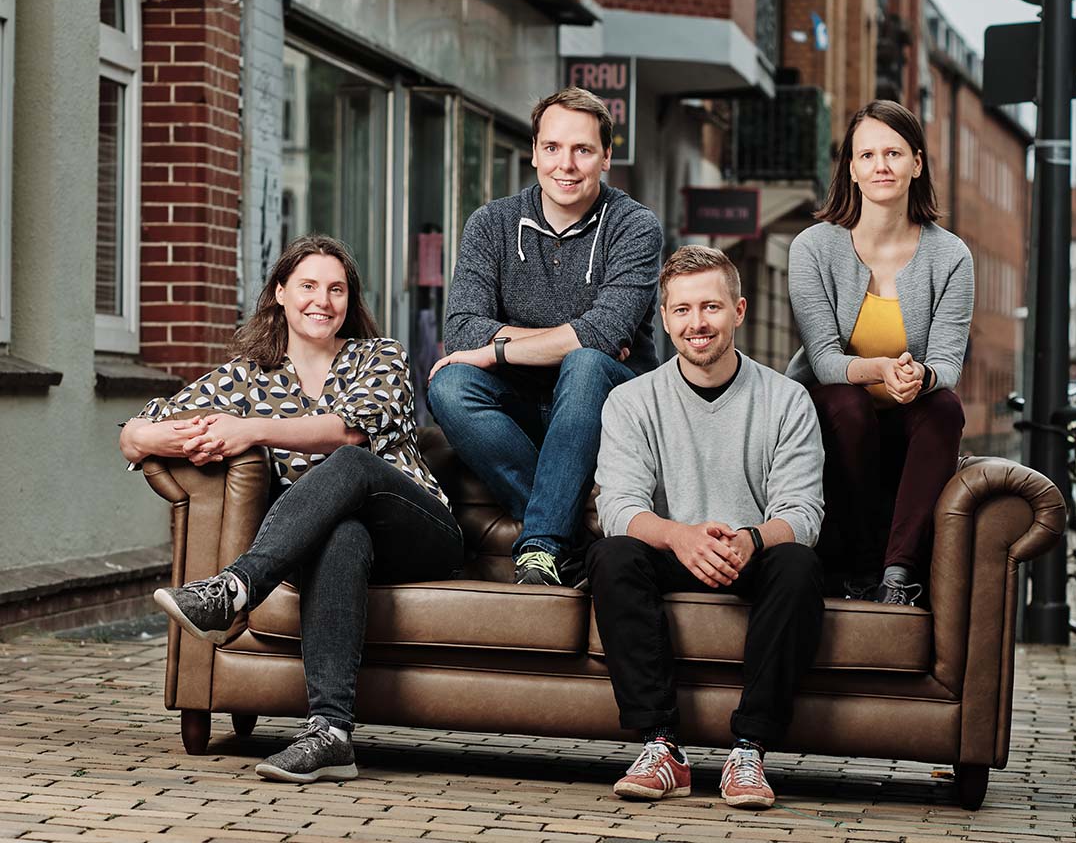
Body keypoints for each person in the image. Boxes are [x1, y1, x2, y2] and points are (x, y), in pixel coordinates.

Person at [121, 234, 463, 784]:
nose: (322, 301)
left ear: (350, 300)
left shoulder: (380, 357)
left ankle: (236, 587)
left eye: (336, 289)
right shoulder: (245, 378)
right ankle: (330, 734)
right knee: (341, 535)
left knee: (348, 464)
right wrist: (192, 439)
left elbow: (348, 433)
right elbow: (136, 434)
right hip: (334, 538)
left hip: (418, 531)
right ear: (279, 293)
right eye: (307, 286)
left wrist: (245, 430)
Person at [588, 246, 825, 810]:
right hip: (672, 549)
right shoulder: (631, 401)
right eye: (684, 310)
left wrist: (750, 539)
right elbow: (617, 506)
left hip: (752, 552)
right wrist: (679, 536)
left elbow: (803, 514)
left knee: (799, 564)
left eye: (712, 307)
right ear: (665, 318)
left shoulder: (788, 400)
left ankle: (749, 750)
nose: (698, 323)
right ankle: (662, 746)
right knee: (612, 555)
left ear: (739, 311)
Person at [426, 87, 663, 587]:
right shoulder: (491, 223)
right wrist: (567, 336)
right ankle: (569, 533)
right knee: (449, 386)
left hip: (607, 404)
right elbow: (463, 329)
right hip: (523, 402)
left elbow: (604, 335)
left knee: (587, 364)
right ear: (533, 152)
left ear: (606, 158)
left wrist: (498, 348)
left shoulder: (636, 226)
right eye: (553, 148)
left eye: (583, 150)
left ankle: (541, 546)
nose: (566, 165)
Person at [787, 99, 973, 606]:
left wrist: (920, 376)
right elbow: (824, 360)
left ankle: (897, 575)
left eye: (893, 153)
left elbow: (949, 365)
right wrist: (880, 370)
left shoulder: (951, 255)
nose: (880, 166)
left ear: (917, 163)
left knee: (946, 409)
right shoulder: (812, 247)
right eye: (867, 156)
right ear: (851, 168)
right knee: (846, 401)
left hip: (911, 410)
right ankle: (860, 565)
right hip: (839, 414)